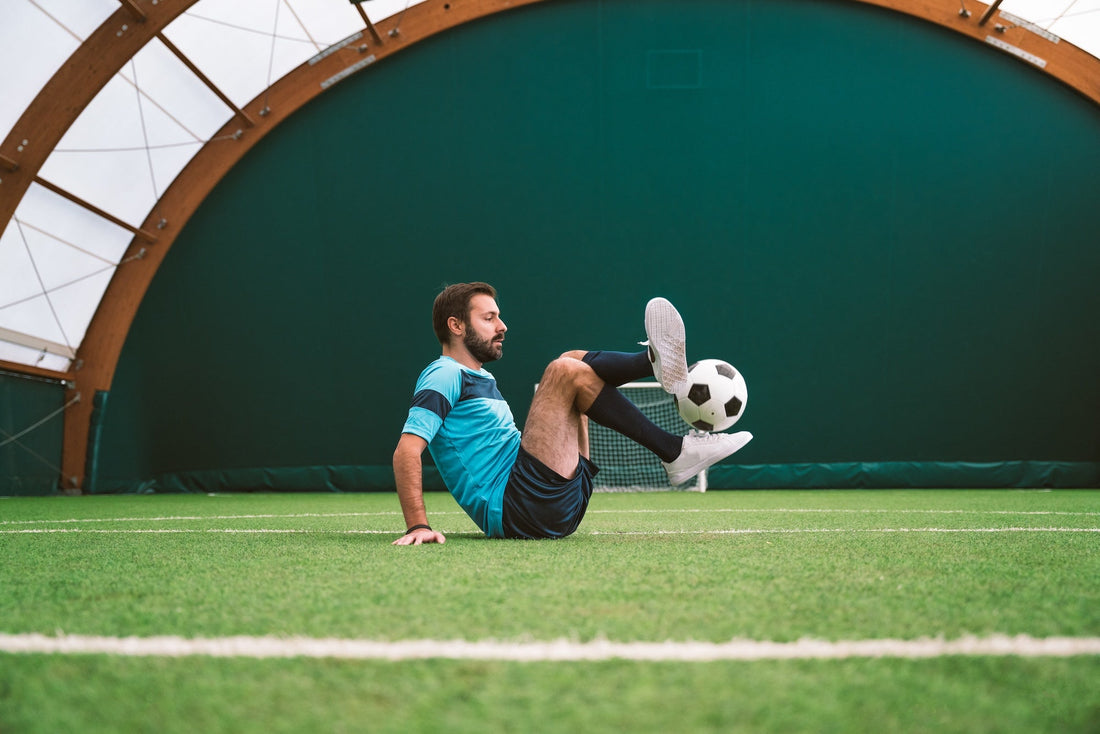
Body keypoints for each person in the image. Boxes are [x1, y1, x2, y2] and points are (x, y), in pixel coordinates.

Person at [392, 282, 752, 545]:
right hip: (520, 506)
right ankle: (673, 447)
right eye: (489, 318)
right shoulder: (443, 374)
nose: (503, 326)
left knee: (571, 359)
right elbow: (407, 450)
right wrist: (417, 526)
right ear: (456, 326)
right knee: (562, 371)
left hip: (548, 499)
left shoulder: (478, 376)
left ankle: (652, 365)